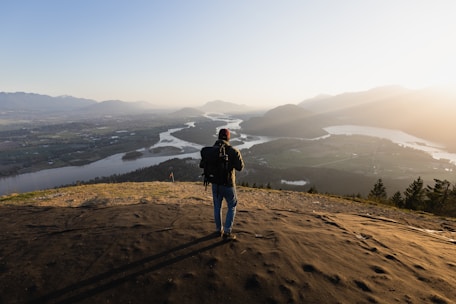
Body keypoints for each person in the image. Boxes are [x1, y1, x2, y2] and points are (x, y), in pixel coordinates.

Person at [208, 128, 244, 241]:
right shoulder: (233, 151)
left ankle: (219, 230)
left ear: (218, 137)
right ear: (228, 137)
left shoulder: (212, 151)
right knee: (232, 206)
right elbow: (240, 167)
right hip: (228, 184)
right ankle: (227, 232)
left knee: (217, 207)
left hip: (215, 184)